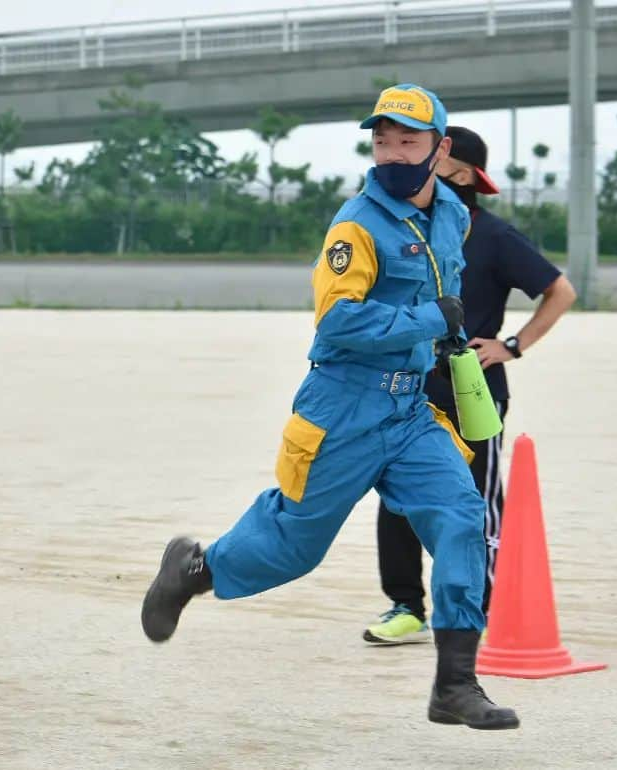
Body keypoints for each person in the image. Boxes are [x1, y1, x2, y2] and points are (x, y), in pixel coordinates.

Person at [140, 85, 519, 730]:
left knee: (461, 518)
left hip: (411, 412)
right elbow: (337, 320)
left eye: (409, 140)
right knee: (294, 549)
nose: (393, 153)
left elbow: (446, 287)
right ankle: (194, 569)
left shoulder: (452, 213)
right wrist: (430, 317)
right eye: (382, 140)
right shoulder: (355, 226)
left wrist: (447, 344)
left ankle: (455, 684)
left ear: (440, 148)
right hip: (343, 406)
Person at [364, 126, 577, 646]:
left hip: (472, 391)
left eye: (428, 155)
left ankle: (480, 604)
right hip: (406, 387)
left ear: (458, 172)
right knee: (396, 498)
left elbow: (560, 291)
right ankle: (406, 605)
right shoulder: (397, 231)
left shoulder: (493, 236)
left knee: (472, 500)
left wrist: (511, 344)